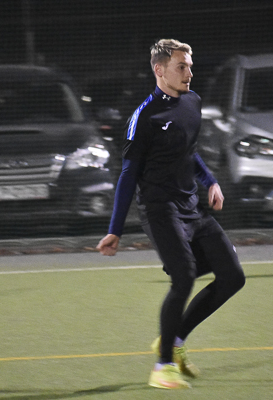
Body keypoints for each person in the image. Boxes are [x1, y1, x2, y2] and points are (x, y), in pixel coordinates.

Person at [96, 39, 246, 390]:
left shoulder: (192, 102)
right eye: (181, 66)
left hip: (191, 206)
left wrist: (210, 181)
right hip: (159, 209)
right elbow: (128, 175)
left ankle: (174, 341)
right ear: (159, 70)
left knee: (233, 277)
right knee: (184, 277)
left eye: (190, 65)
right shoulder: (143, 118)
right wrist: (115, 229)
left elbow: (188, 151)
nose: (189, 73)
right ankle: (162, 366)